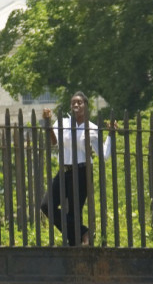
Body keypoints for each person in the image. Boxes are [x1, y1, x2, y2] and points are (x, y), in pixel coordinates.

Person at [39, 92, 116, 246]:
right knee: (46, 205)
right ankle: (84, 232)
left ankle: (75, 245)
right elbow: (54, 142)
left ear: (86, 106)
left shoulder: (91, 128)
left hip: (82, 172)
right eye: (73, 102)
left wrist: (111, 135)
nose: (75, 105)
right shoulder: (63, 123)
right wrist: (48, 123)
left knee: (75, 212)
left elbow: (104, 154)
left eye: (79, 102)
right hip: (64, 170)